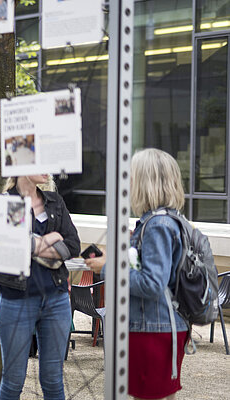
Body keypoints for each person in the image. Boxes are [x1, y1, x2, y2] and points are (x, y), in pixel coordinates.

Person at [85, 149, 188, 400]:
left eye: (131, 176)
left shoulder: (157, 226)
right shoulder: (166, 221)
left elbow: (153, 283)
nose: (127, 182)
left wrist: (108, 269)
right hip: (157, 326)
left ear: (145, 181)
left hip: (152, 329)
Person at [0, 174, 80, 399]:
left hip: (56, 299)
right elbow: (1, 247)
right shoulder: (4, 203)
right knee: (12, 382)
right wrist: (49, 241)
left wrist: (27, 243)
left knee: (53, 380)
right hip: (16, 300)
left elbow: (72, 245)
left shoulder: (55, 201)